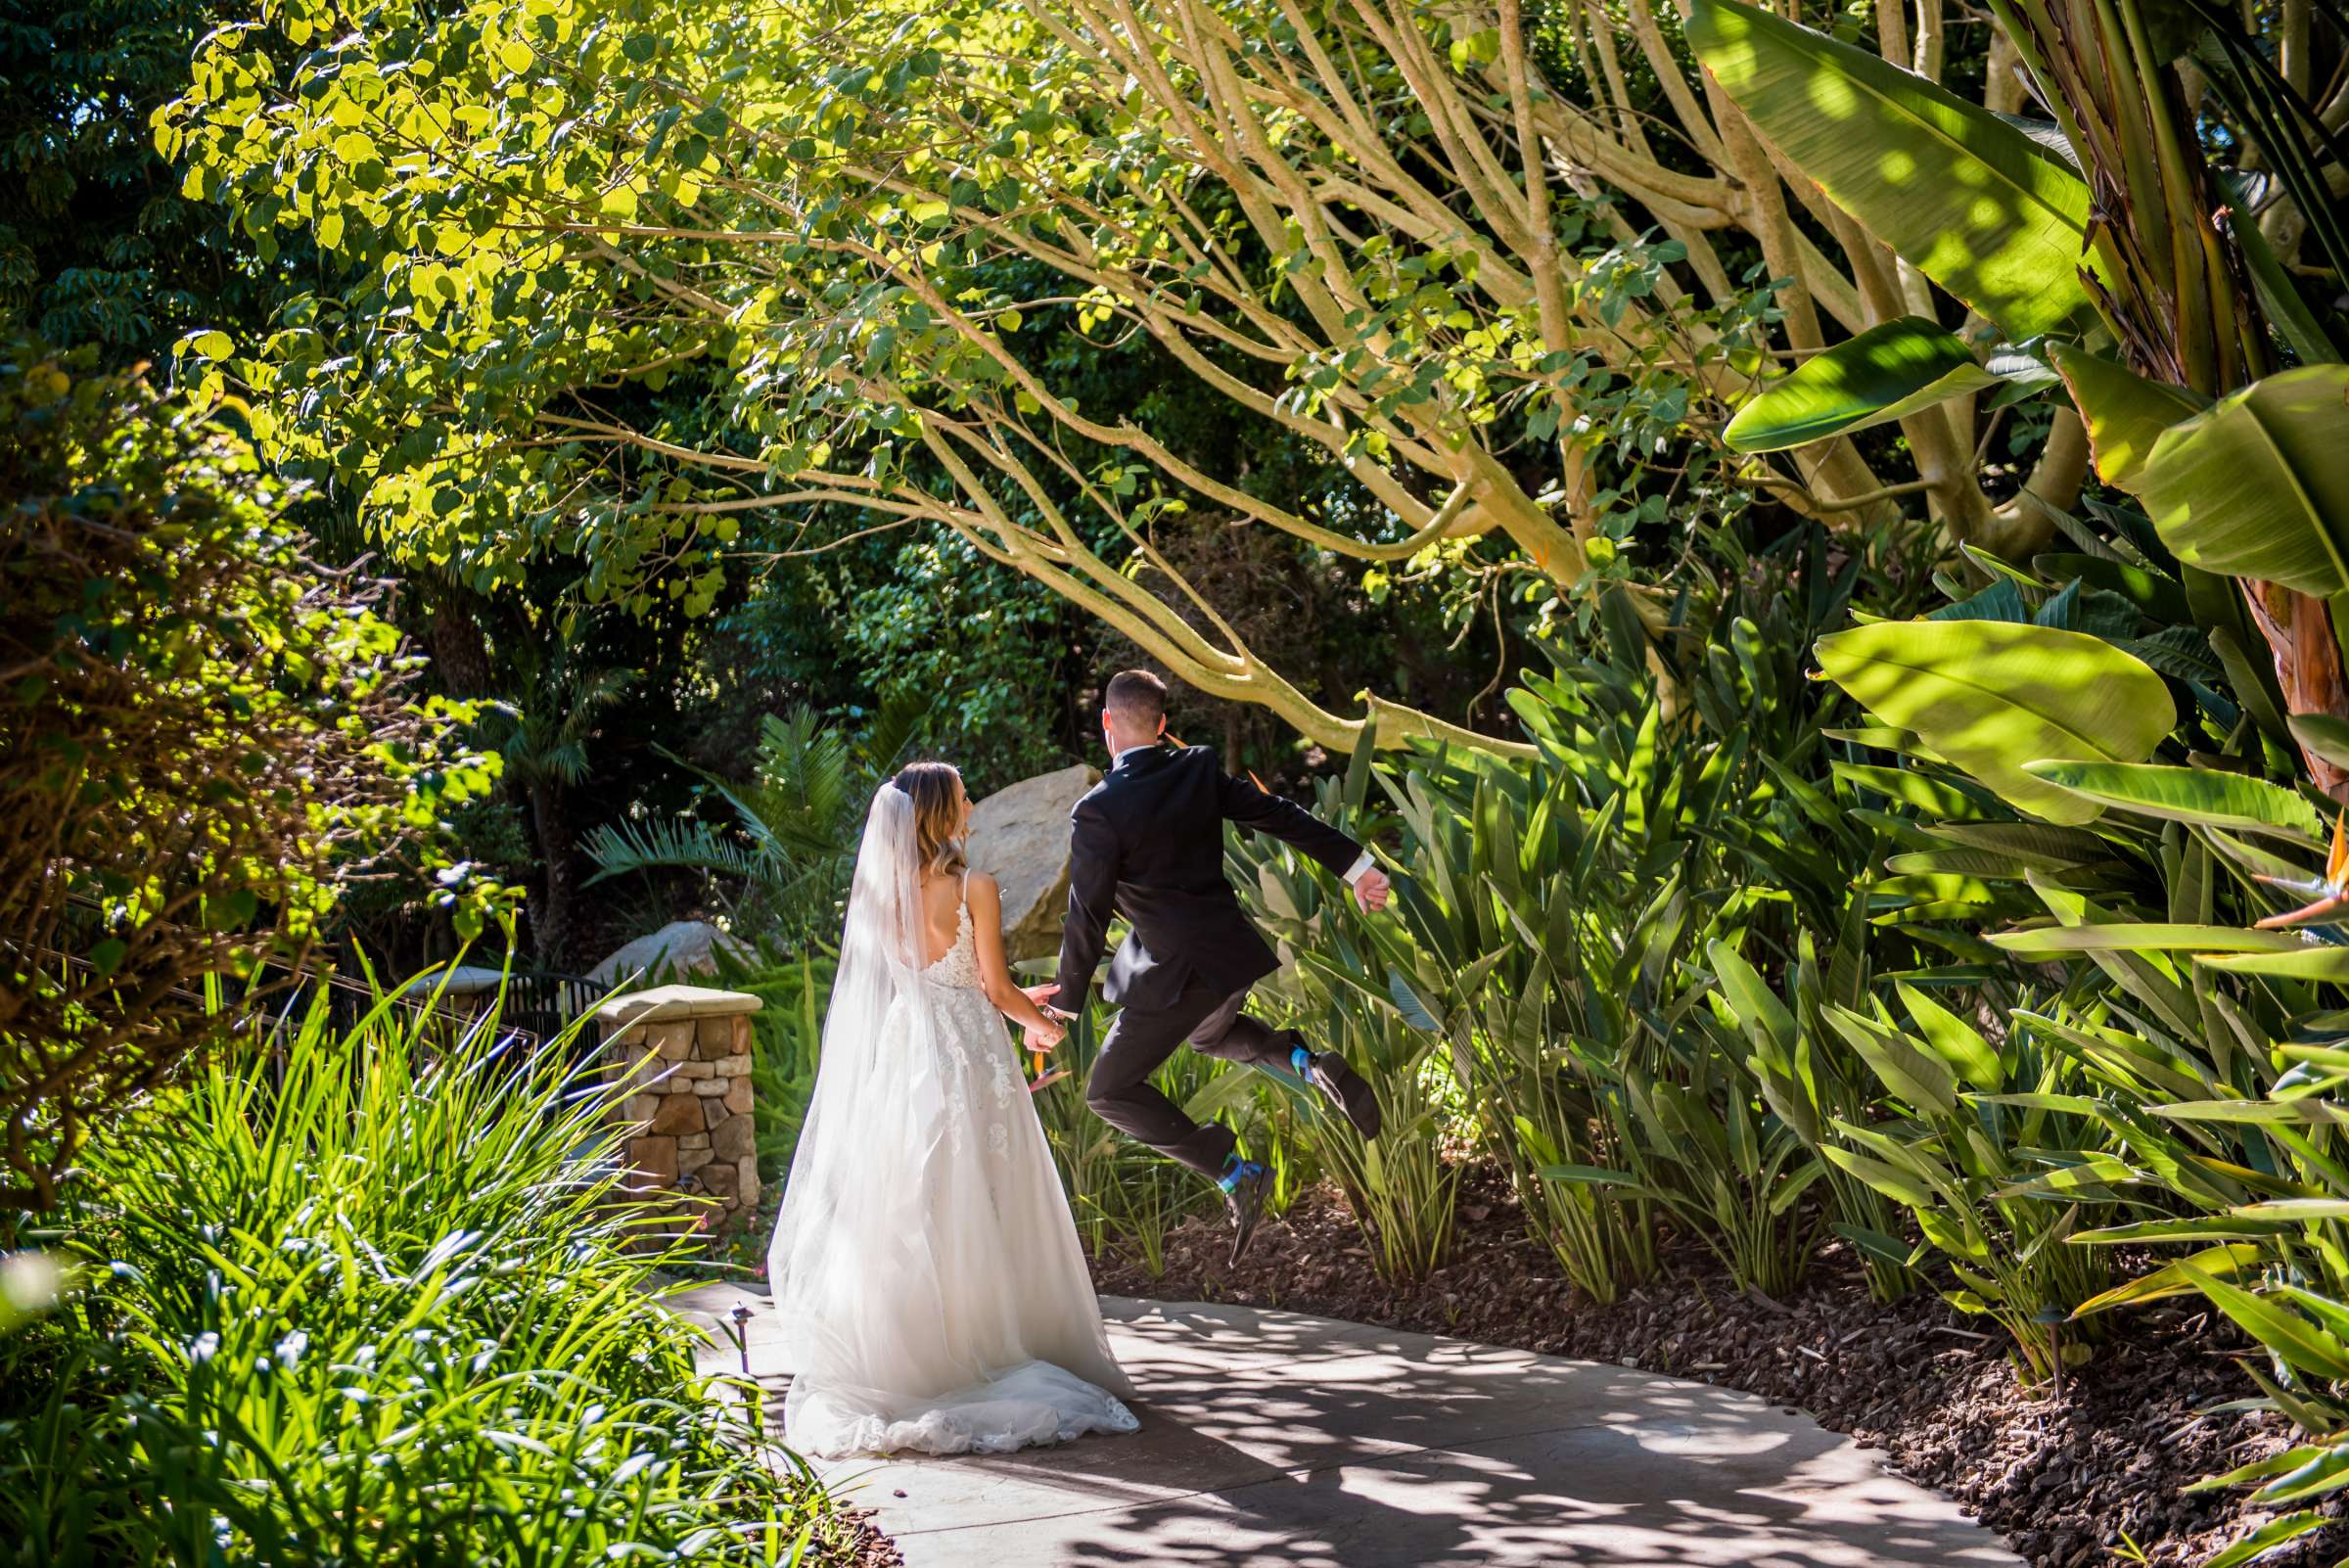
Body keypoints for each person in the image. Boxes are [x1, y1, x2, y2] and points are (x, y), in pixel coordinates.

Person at [764, 761, 1139, 1458]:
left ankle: (919, 1351)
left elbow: (934, 977)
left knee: (920, 1199)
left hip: (906, 1059)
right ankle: (988, 1346)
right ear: (939, 814)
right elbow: (993, 988)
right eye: (964, 798)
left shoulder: (882, 896)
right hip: (969, 1054)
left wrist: (1021, 1003)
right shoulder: (976, 887)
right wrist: (1044, 1025)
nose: (972, 806)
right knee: (987, 1198)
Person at [1027, 669, 1393, 1266]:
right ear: (1163, 725)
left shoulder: (1097, 811)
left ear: (1107, 725)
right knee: (1212, 1035)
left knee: (1108, 1091)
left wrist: (1064, 1003)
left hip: (1177, 972)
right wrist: (1359, 868)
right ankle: (1307, 1061)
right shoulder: (1195, 769)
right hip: (1229, 957)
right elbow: (1278, 814)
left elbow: (1086, 914)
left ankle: (1233, 1172)